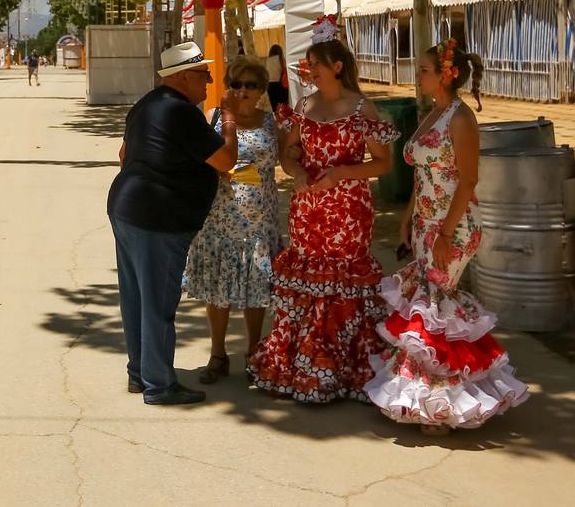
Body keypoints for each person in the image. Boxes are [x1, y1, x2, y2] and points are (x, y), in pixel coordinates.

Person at [365, 40, 528, 433]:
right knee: (428, 302)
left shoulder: (459, 118)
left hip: (453, 225)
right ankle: (427, 395)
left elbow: (468, 178)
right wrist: (407, 218)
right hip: (426, 222)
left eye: (423, 69)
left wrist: (445, 233)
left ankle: (444, 400)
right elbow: (424, 176)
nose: (417, 75)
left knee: (436, 304)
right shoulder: (433, 114)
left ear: (445, 75)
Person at [247, 29, 398, 403]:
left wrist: (342, 174)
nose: (309, 70)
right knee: (308, 278)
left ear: (337, 66)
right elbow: (289, 153)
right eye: (308, 64)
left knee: (343, 279)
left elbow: (384, 163)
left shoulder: (362, 109)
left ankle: (344, 368)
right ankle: (304, 364)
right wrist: (296, 173)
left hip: (348, 212)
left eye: (315, 64)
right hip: (308, 210)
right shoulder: (303, 107)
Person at [108, 41, 240, 406]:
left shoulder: (145, 105)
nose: (210, 79)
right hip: (157, 217)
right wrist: (227, 119)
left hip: (128, 208)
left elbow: (124, 154)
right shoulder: (180, 113)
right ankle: (160, 385)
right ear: (183, 77)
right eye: (203, 74)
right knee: (159, 302)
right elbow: (227, 159)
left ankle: (141, 373)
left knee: (136, 297)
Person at [182, 55, 282, 384]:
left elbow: (289, 157)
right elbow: (199, 158)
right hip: (222, 216)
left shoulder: (271, 122)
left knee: (256, 287)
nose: (242, 91)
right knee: (218, 287)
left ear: (261, 90)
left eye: (250, 85)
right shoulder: (214, 118)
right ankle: (217, 354)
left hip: (259, 217)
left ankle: (254, 351)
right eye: (236, 84)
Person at [265, 45, 289, 111]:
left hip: (270, 86)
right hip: (280, 85)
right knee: (284, 108)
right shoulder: (281, 59)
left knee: (274, 108)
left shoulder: (268, 60)